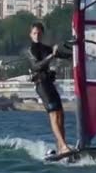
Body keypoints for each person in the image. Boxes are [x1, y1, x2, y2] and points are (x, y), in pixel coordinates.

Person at [26, 22, 73, 156]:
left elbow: (61, 54)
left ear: (42, 34)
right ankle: (63, 146)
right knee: (53, 115)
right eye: (35, 33)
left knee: (61, 114)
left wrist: (74, 53)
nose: (37, 35)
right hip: (41, 85)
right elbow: (36, 66)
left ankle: (60, 147)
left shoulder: (46, 48)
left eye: (39, 33)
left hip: (49, 84)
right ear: (30, 35)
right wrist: (51, 56)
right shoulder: (30, 50)